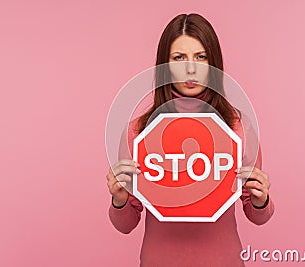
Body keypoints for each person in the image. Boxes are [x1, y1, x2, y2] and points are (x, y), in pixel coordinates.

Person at [106, 13, 275, 267]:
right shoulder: (137, 132)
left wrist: (261, 200)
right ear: (164, 64)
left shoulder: (238, 128)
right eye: (179, 58)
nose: (191, 68)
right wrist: (119, 201)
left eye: (201, 57)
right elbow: (125, 225)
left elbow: (257, 216)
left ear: (213, 62)